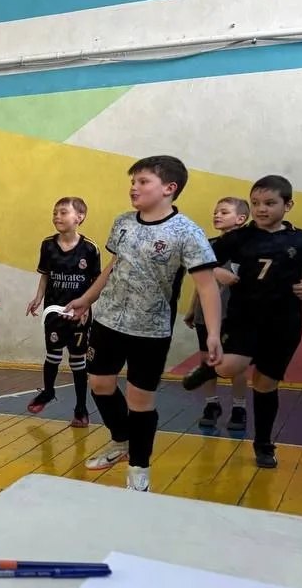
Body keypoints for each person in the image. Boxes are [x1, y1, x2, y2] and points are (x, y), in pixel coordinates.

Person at [66, 155, 221, 492]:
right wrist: (87, 298)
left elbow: (207, 286)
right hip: (107, 321)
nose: (134, 188)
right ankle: (121, 440)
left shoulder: (187, 232)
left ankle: (139, 468)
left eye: (143, 182)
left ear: (169, 188)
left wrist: (213, 333)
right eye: (132, 182)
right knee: (100, 384)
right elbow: (113, 266)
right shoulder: (123, 222)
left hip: (150, 330)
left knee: (140, 400)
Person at [183, 176, 302, 469]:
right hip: (244, 318)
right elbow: (198, 261)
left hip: (284, 322)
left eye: (270, 203)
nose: (261, 209)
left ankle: (263, 444)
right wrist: (217, 272)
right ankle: (210, 367)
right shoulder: (239, 237)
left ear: (288, 205)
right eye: (256, 203)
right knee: (228, 367)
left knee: (265, 383)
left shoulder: (300, 239)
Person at [24, 197, 101, 427]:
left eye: (63, 212)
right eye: (55, 212)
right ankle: (48, 392)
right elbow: (45, 275)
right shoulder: (48, 245)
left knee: (78, 360)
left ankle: (81, 409)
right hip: (54, 311)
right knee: (53, 354)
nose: (57, 216)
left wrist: (86, 305)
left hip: (78, 314)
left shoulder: (90, 249)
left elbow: (96, 283)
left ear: (79, 217)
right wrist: (38, 298)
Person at [181, 197, 251, 434]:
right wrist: (193, 308)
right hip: (206, 314)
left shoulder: (249, 246)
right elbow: (202, 282)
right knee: (207, 362)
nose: (217, 215)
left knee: (235, 365)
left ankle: (239, 407)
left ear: (240, 218)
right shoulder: (208, 246)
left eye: (224, 212)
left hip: (234, 315)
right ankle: (212, 405)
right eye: (215, 212)